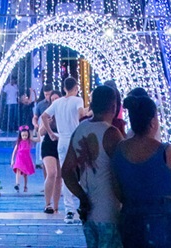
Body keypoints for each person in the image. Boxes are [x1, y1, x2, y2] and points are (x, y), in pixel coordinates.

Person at [110, 92, 171, 248]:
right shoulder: (166, 152)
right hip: (163, 219)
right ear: (153, 122)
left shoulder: (119, 150)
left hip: (131, 218)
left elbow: (116, 189)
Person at [61, 83, 123, 248]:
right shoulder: (112, 133)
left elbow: (66, 171)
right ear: (113, 106)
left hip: (89, 211)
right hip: (110, 210)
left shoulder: (81, 129)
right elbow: (123, 173)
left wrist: (82, 196)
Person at [40, 76, 90, 223]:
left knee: (65, 175)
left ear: (64, 88)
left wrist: (50, 133)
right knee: (81, 174)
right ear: (75, 88)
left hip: (61, 140)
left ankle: (69, 210)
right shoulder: (77, 100)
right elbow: (81, 114)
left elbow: (44, 116)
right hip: (75, 140)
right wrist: (90, 110)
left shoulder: (58, 103)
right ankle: (83, 204)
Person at [39, 90, 61, 213]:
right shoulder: (47, 114)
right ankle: (47, 204)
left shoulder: (64, 113)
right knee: (51, 173)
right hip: (48, 144)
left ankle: (56, 205)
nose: (55, 101)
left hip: (61, 143)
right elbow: (40, 133)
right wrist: (48, 125)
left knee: (59, 176)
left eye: (57, 99)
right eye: (52, 100)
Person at [32, 84, 53, 170]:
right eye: (46, 94)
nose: (48, 96)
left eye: (49, 94)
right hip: (43, 125)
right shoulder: (41, 104)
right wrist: (36, 125)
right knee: (40, 142)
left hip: (54, 125)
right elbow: (35, 117)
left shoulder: (57, 102)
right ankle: (39, 162)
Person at [10, 125, 35, 193]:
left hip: (26, 158)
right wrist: (12, 160)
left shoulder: (29, 141)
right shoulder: (19, 142)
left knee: (25, 174)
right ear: (20, 135)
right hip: (19, 158)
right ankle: (17, 184)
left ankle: (25, 186)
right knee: (18, 170)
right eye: (23, 135)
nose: (24, 137)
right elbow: (14, 151)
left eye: (26, 135)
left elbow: (36, 139)